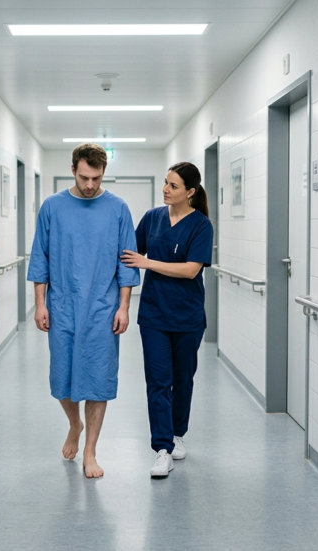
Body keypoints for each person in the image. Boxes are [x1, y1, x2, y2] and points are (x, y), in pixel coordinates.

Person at [28, 143, 140, 478]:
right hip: (62, 307)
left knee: (98, 379)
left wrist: (124, 307)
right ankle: (74, 423)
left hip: (103, 309)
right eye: (83, 177)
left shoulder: (118, 209)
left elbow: (126, 263)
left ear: (103, 173)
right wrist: (40, 304)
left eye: (96, 178)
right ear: (73, 170)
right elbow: (40, 257)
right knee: (61, 378)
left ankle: (90, 451)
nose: (90, 185)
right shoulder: (52, 207)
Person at [120, 162, 213, 477]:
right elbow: (130, 254)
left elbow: (190, 270)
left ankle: (177, 434)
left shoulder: (201, 225)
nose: (165, 190)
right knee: (158, 381)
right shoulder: (152, 218)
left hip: (187, 316)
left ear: (190, 192)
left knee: (182, 379)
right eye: (165, 183)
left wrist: (148, 263)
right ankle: (162, 449)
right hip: (154, 315)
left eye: (173, 186)